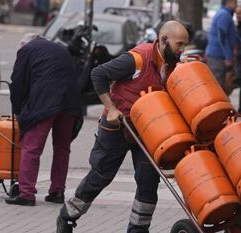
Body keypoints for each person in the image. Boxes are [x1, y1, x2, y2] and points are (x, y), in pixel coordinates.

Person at [56, 20, 189, 233]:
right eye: (179, 44)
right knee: (101, 176)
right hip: (118, 126)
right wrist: (111, 108)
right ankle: (68, 214)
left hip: (147, 129)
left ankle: (138, 230)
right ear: (163, 40)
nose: (182, 50)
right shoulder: (137, 59)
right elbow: (98, 74)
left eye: (184, 45)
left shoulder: (173, 66)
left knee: (148, 181)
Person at [5, 33, 82, 206]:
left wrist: (18, 111)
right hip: (70, 102)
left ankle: (26, 193)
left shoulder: (27, 50)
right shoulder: (60, 49)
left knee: (31, 148)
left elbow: (17, 82)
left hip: (45, 102)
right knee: (62, 148)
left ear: (24, 44)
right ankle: (57, 191)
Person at [205, 0, 241, 90]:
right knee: (216, 88)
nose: (236, 5)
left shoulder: (225, 14)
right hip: (217, 57)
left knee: (220, 86)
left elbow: (232, 35)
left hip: (218, 56)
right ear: (229, 2)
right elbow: (223, 38)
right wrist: (228, 57)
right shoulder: (224, 15)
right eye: (235, 2)